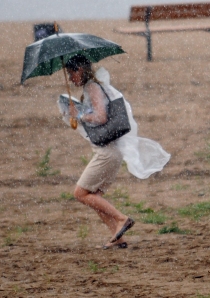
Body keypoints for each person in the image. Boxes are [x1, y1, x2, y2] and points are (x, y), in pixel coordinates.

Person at [62, 55, 171, 248]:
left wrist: (79, 114)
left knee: (80, 193)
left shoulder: (92, 87)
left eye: (71, 73)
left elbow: (101, 117)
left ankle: (122, 219)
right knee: (93, 196)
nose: (71, 78)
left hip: (107, 154)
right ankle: (118, 238)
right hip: (110, 152)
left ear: (80, 69)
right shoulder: (93, 87)